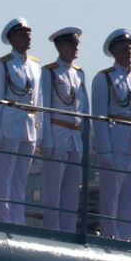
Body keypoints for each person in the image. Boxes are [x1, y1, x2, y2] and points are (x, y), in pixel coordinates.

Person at [91, 30, 131, 241]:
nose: (128, 52)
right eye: (124, 48)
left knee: (128, 198)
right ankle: (109, 235)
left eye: (130, 48)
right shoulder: (104, 79)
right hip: (114, 144)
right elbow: (100, 116)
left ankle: (124, 237)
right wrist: (104, 149)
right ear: (113, 51)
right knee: (110, 196)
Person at [0, 18, 41, 225]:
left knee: (20, 179)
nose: (27, 37)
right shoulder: (2, 65)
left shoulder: (35, 66)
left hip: (28, 128)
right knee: (3, 178)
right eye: (22, 34)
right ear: (12, 39)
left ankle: (17, 218)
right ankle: (2, 217)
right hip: (8, 126)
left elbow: (39, 101)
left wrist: (39, 129)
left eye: (28, 33)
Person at [39, 27, 88, 232]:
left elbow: (85, 111)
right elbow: (45, 109)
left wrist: (86, 142)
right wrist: (47, 140)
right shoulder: (50, 72)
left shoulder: (79, 74)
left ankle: (67, 230)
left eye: (76, 44)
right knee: (53, 189)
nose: (75, 48)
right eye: (71, 44)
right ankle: (52, 229)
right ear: (60, 46)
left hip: (75, 136)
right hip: (57, 134)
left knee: (71, 191)